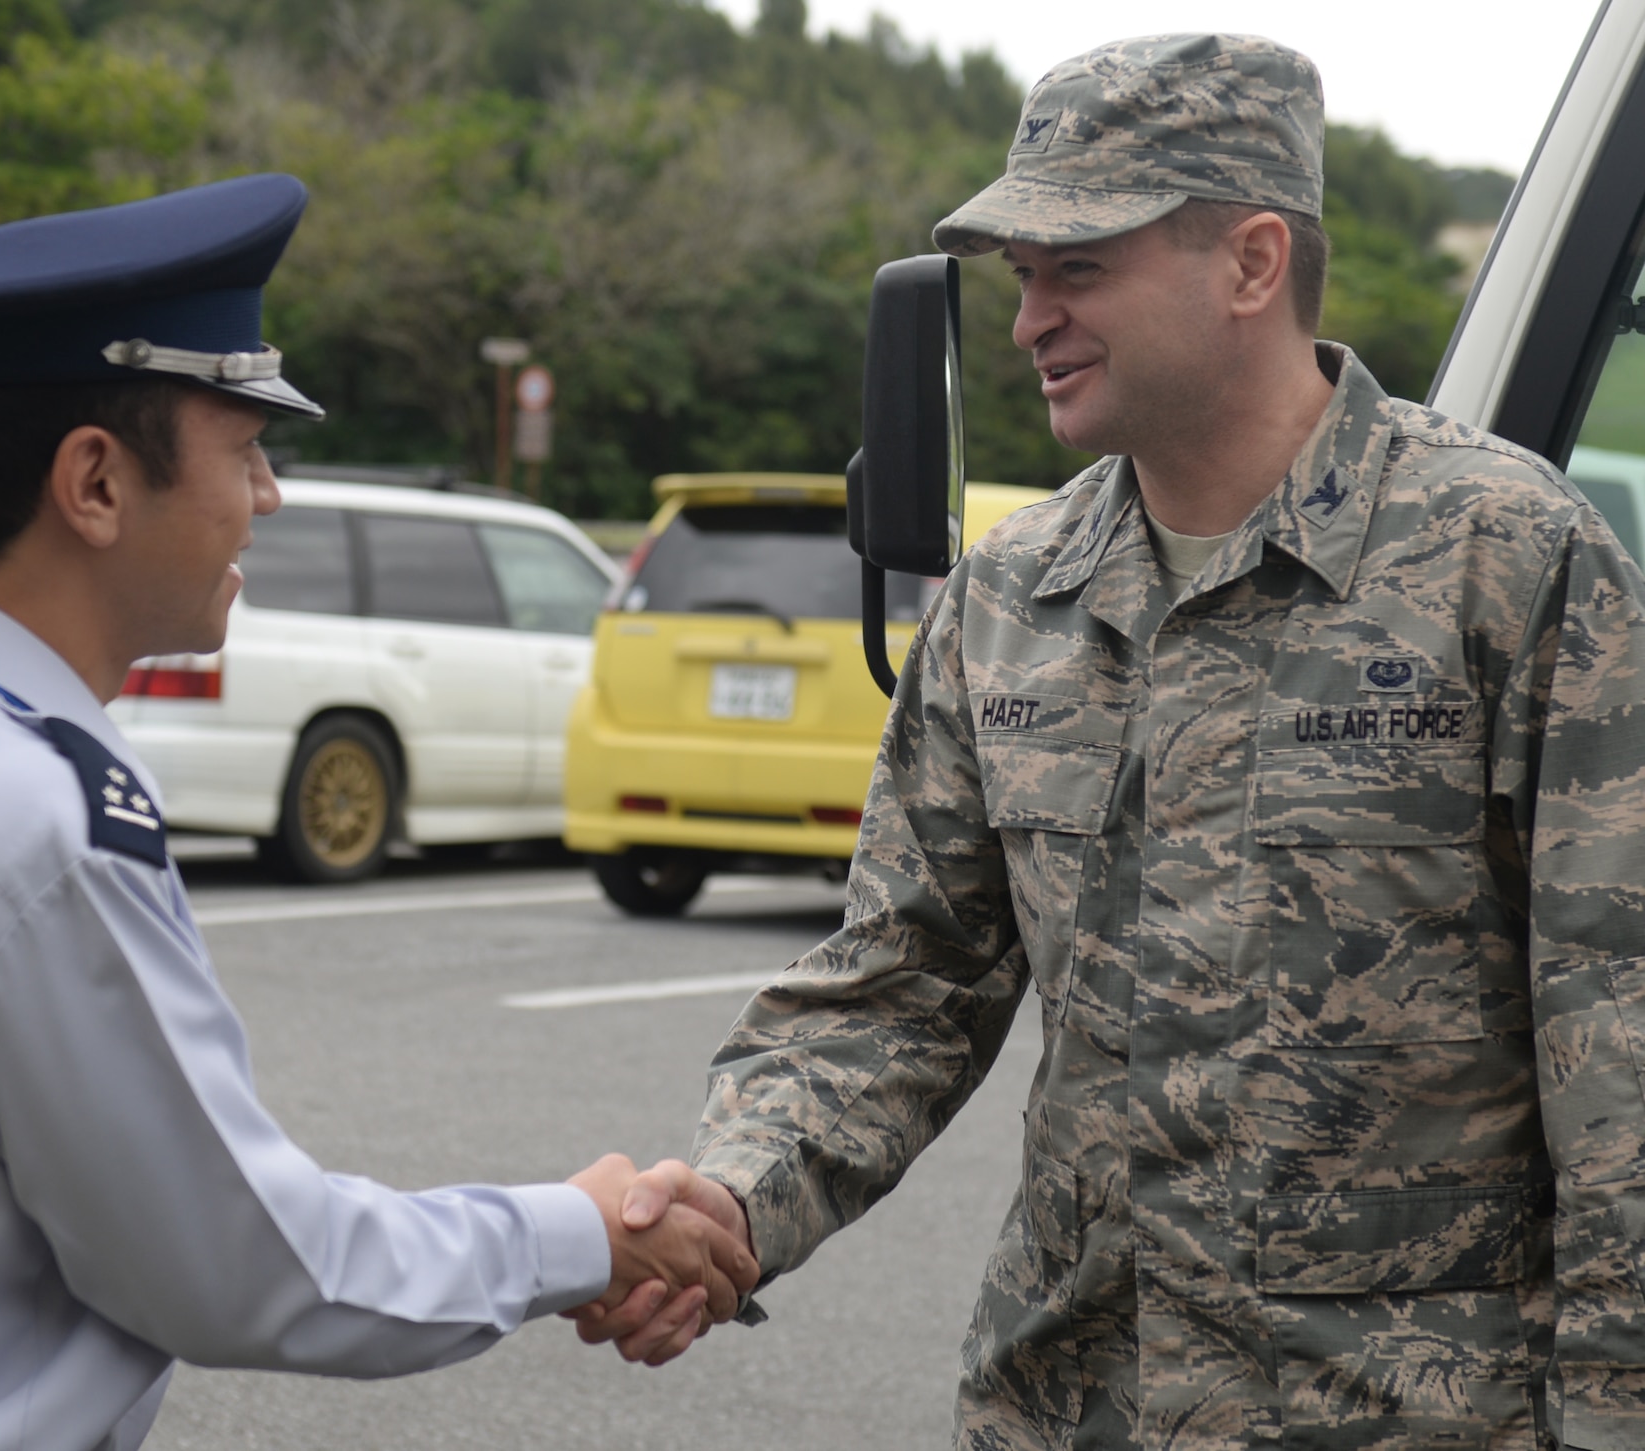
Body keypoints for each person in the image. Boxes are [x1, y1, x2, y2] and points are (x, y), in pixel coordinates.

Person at [578, 33, 1645, 1451]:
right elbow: (901, 984)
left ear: (1252, 264)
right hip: (1070, 1406)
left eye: (1077, 267)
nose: (1029, 321)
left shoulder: (1509, 564)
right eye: (1021, 278)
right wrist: (731, 1196)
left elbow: (1617, 1051)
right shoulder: (1009, 602)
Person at [0, 173, 755, 1449]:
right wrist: (580, 1230)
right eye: (245, 450)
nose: (269, 497)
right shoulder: (35, 825)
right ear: (96, 484)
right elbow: (245, 1261)